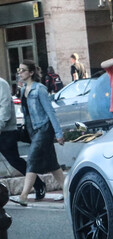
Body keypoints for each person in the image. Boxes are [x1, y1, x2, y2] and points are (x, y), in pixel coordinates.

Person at [9, 60, 65, 207]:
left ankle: (24, 196)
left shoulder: (40, 89)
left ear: (31, 72)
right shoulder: (22, 90)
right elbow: (25, 112)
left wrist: (58, 133)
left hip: (44, 129)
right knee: (52, 164)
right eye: (19, 70)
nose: (20, 73)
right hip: (33, 131)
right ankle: (68, 190)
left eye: (23, 70)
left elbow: (50, 111)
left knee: (32, 159)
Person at [0, 76, 47, 201]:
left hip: (6, 131)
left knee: (14, 160)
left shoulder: (2, 84)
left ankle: (38, 184)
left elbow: (5, 107)